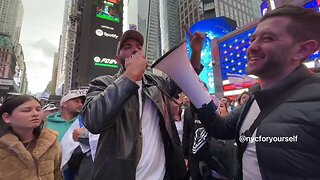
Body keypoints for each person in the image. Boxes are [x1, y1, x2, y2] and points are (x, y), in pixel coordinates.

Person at [192, 5, 320, 179]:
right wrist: (193, 86)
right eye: (253, 39)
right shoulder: (253, 99)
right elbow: (222, 129)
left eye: (268, 38)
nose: (252, 48)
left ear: (303, 49)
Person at [81, 29, 204, 180]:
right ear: (118, 59)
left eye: (139, 46)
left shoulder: (156, 83)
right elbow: (93, 120)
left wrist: (196, 52)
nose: (135, 49)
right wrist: (130, 75)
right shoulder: (103, 83)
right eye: (127, 47)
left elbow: (185, 78)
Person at [0, 95, 62, 179]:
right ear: (7, 117)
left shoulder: (50, 141)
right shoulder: (2, 145)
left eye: (38, 109)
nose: (35, 114)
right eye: (27, 110)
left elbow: (57, 174)